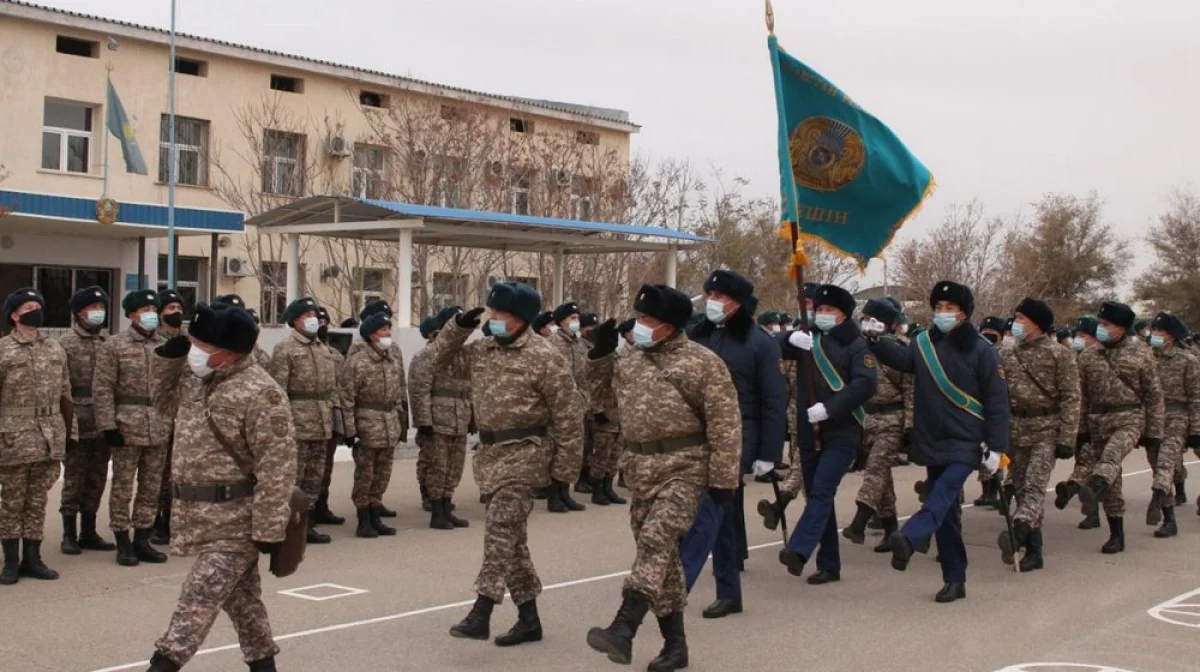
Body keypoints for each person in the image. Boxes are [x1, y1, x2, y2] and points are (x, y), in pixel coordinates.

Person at [585, 285, 741, 671]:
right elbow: (599, 400)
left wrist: (723, 479)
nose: (639, 327)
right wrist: (600, 356)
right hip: (639, 468)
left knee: (656, 540)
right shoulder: (629, 359)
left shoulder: (703, 363)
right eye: (638, 319)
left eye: (648, 321)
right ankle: (676, 646)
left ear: (669, 326)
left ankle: (624, 626)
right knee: (663, 563)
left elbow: (726, 424)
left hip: (685, 468)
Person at [143, 302, 296, 672]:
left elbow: (277, 464)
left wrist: (269, 528)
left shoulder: (262, 392)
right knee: (244, 603)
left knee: (197, 600)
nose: (194, 350)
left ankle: (162, 665)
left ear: (228, 353)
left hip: (236, 519)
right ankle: (264, 667)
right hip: (197, 516)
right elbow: (160, 403)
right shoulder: (196, 380)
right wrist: (167, 358)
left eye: (201, 344)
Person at [440, 283, 584, 647]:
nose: (492, 320)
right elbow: (437, 361)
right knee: (513, 543)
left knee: (500, 529)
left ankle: (482, 609)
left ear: (520, 318)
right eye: (490, 312)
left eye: (498, 314)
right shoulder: (482, 350)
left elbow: (568, 415)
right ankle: (529, 620)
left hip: (527, 453)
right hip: (489, 457)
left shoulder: (545, 356)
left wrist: (564, 473)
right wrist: (458, 328)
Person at [870, 281, 1009, 602]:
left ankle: (909, 535)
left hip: (966, 440)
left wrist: (997, 447)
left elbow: (997, 401)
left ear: (964, 313)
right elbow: (904, 361)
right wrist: (874, 341)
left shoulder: (982, 350)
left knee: (941, 495)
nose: (943, 314)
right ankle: (955, 578)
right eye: (939, 308)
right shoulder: (923, 344)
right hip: (932, 437)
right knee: (946, 515)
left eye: (951, 308)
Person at [679, 270, 786, 617]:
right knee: (721, 518)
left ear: (737, 304)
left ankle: (675, 587)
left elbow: (773, 401)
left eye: (720, 297)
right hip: (698, 434)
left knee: (708, 512)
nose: (712, 302)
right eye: (709, 294)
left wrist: (769, 454)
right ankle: (729, 592)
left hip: (740, 435)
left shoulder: (760, 343)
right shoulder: (698, 336)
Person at [776, 284, 876, 584]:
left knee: (822, 490)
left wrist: (830, 409)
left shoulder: (856, 345)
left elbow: (865, 384)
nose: (822, 315)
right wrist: (787, 338)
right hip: (809, 430)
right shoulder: (808, 338)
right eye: (818, 310)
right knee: (819, 497)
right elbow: (772, 349)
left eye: (829, 310)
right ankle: (829, 564)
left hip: (841, 430)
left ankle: (799, 549)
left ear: (843, 314)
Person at [1059, 301, 1163, 554]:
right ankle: (1116, 534)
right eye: (1100, 324)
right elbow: (1080, 396)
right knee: (1111, 483)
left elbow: (1154, 395)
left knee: (1111, 456)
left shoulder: (1141, 354)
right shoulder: (1088, 356)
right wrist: (1080, 430)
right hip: (1097, 421)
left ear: (1122, 327)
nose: (1101, 329)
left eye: (1106, 325)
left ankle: (1090, 486)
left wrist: (1155, 433)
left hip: (1129, 418)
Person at [995, 298, 1080, 571]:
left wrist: (1067, 437)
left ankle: (1018, 532)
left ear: (1037, 323)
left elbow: (1071, 397)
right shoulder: (1007, 354)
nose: (1016, 323)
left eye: (1022, 318)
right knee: (1020, 488)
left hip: (1047, 429)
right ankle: (1034, 549)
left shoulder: (1060, 354)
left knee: (1034, 485)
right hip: (1016, 429)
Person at [95, 289, 171, 567]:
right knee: (123, 487)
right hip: (126, 425)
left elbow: (175, 387)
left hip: (158, 425)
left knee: (151, 487)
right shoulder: (114, 345)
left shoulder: (165, 345)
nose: (151, 314)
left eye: (153, 309)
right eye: (144, 310)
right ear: (131, 314)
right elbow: (102, 388)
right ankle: (122, 540)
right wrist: (107, 425)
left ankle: (143, 538)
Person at [0, 288, 70, 584]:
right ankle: (11, 562)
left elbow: (66, 393)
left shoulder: (55, 349)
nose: (35, 310)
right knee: (12, 501)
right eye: (29, 306)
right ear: (15, 315)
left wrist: (71, 434)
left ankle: (34, 558)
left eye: (38, 305)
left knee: (38, 499)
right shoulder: (3, 349)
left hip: (49, 435)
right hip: (13, 436)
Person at [268, 297, 343, 545]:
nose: (314, 319)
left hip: (321, 423)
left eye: (315, 314)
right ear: (296, 320)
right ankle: (285, 527)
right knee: (294, 479)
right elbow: (278, 393)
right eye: (308, 315)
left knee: (314, 478)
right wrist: (283, 427)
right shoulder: (285, 349)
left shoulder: (323, 349)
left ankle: (305, 526)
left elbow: (331, 388)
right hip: (298, 424)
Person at [842, 298, 913, 554]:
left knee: (875, 469)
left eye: (875, 318)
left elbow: (910, 389)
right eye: (866, 316)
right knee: (883, 477)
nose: (868, 322)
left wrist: (910, 427)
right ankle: (892, 530)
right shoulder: (857, 348)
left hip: (893, 418)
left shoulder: (899, 350)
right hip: (867, 418)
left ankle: (859, 521)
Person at [58, 286, 117, 555]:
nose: (98, 313)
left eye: (102, 308)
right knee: (74, 477)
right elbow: (61, 387)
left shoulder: (109, 342)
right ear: (79, 312)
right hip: (77, 420)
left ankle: (89, 531)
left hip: (103, 419)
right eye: (93, 308)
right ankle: (68, 533)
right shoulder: (64, 344)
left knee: (96, 477)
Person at [340, 312, 409, 538]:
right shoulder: (358, 363)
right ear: (371, 335)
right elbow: (347, 399)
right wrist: (350, 431)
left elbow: (398, 395)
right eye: (383, 330)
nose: (388, 333)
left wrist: (400, 423)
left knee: (382, 474)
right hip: (368, 426)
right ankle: (363, 520)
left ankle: (375, 516)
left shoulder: (391, 361)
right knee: (365, 475)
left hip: (389, 425)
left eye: (389, 329)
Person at [1144, 312, 1199, 538]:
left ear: (1172, 336)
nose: (1155, 335)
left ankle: (1157, 496)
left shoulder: (1188, 360)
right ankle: (1169, 520)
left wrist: (1196, 431)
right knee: (1158, 465)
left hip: (1178, 416)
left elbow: (1196, 397)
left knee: (1166, 461)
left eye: (1160, 332)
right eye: (1153, 331)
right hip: (1153, 418)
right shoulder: (1148, 358)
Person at [1058, 316, 1104, 530]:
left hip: (1103, 422)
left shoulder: (1102, 360)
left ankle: (1075, 489)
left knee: (1100, 467)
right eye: (1077, 335)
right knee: (1084, 462)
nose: (1078, 339)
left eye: (1083, 336)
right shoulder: (1076, 359)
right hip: (1081, 422)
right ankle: (1091, 512)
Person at [549, 301, 590, 511]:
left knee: (573, 450)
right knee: (559, 449)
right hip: (559, 404)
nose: (576, 322)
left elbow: (583, 376)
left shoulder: (578, 344)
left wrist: (584, 399)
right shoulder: (554, 342)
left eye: (577, 318)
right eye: (572, 318)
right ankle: (554, 494)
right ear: (561, 321)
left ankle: (565, 492)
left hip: (576, 403)